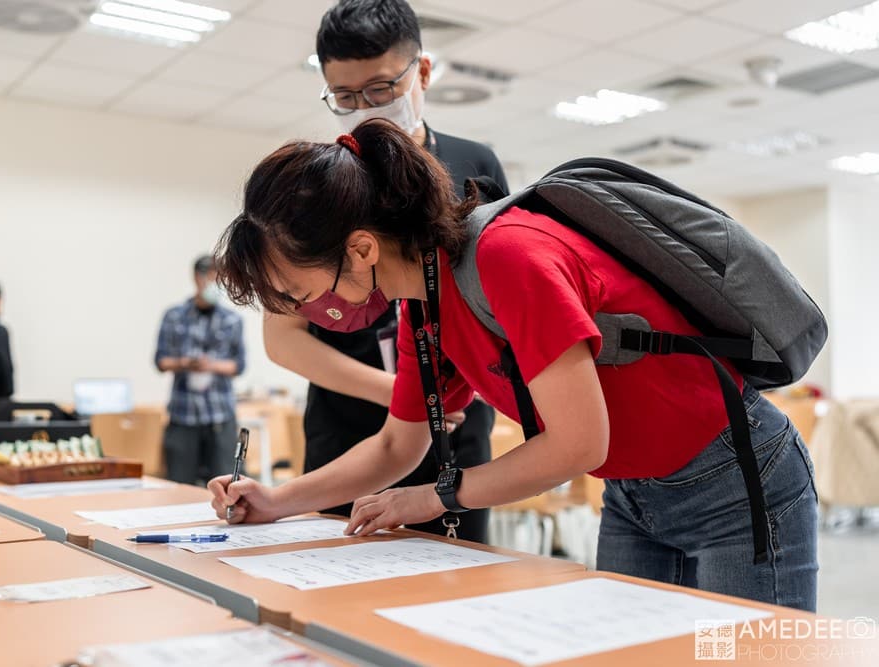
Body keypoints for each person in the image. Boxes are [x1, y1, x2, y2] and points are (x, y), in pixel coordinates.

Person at [208, 119, 819, 612]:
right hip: (634, 493)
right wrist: (276, 501)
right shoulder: (425, 302)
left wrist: (437, 497)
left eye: (297, 289)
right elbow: (398, 445)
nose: (305, 310)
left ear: (361, 248)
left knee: (749, 658)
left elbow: (578, 443)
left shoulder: (508, 259)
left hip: (736, 479)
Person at [261, 0, 509, 543]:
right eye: (344, 96)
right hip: (351, 434)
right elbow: (283, 340)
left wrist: (441, 398)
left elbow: (494, 307)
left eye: (379, 90)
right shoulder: (319, 186)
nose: (364, 108)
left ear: (420, 71)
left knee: (461, 586)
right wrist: (400, 392)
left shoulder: (475, 167)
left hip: (457, 427)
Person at [155, 255, 246, 485]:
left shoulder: (232, 320)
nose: (217, 285)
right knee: (178, 486)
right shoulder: (174, 316)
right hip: (183, 414)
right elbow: (161, 361)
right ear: (197, 277)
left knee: (228, 484)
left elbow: (239, 365)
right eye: (213, 278)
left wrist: (211, 365)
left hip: (220, 416)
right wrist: (186, 363)